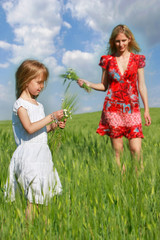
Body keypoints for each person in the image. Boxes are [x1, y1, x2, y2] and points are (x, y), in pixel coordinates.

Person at [77, 24, 151, 171]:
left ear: (129, 39)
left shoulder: (138, 60)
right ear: (113, 42)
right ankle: (121, 183)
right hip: (113, 109)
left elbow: (141, 86)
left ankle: (138, 184)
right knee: (118, 151)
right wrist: (88, 83)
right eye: (117, 41)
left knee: (136, 150)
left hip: (132, 109)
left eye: (123, 40)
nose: (121, 44)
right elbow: (104, 86)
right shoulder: (107, 60)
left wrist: (146, 110)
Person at [5, 59, 66, 220]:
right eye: (38, 82)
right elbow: (29, 128)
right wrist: (52, 116)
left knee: (44, 197)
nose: (42, 86)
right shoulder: (20, 105)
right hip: (29, 157)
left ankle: (42, 232)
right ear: (26, 79)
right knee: (33, 199)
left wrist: (53, 126)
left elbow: (39, 131)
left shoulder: (38, 105)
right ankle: (28, 232)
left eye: (43, 82)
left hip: (42, 155)